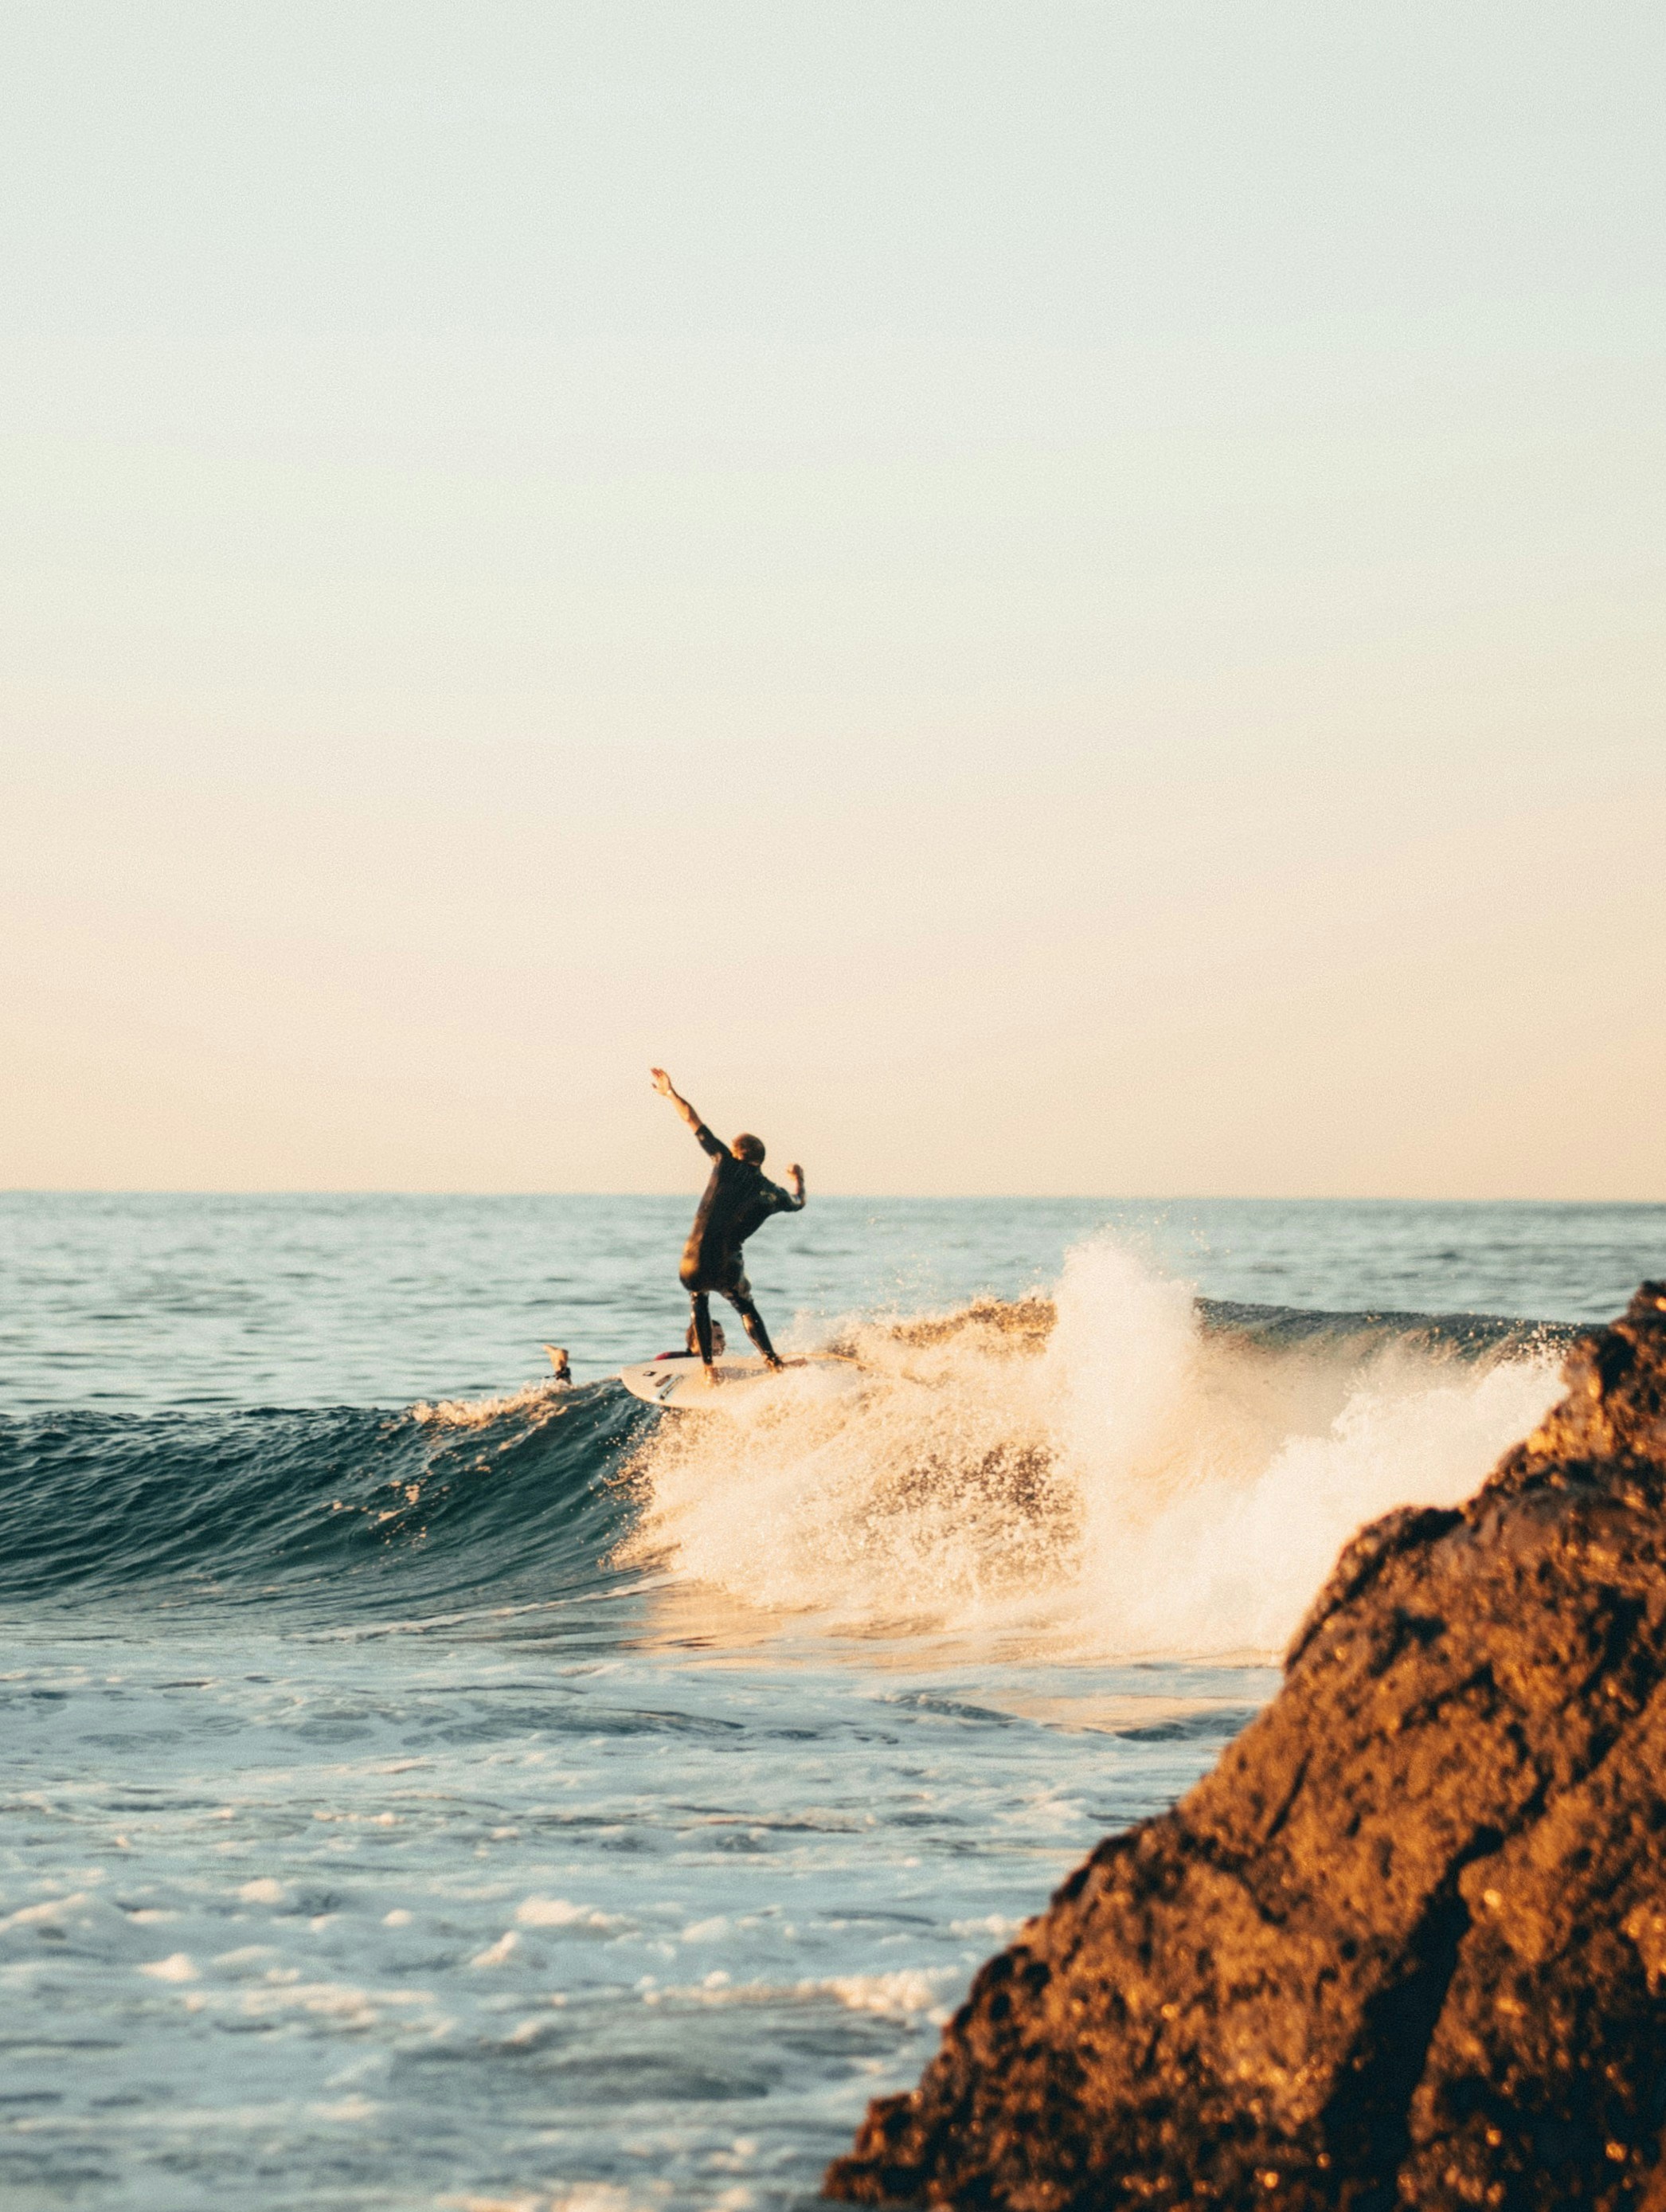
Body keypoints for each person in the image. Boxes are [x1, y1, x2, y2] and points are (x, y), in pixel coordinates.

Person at [650, 1067, 805, 1380]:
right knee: (745, 1307)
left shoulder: (724, 1163)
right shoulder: (773, 1194)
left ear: (736, 1152)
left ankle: (708, 1370)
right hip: (728, 1265)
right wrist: (798, 1180)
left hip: (693, 1260)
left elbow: (692, 1120)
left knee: (699, 1300)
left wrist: (670, 1093)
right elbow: (798, 1203)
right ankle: (773, 1362)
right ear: (759, 1160)